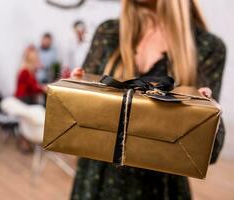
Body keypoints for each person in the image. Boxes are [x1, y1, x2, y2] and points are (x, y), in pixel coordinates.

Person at [70, 0, 226, 199]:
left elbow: (211, 152)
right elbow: (74, 122)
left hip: (159, 188)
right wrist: (75, 90)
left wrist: (207, 118)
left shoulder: (207, 47)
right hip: (94, 183)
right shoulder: (108, 33)